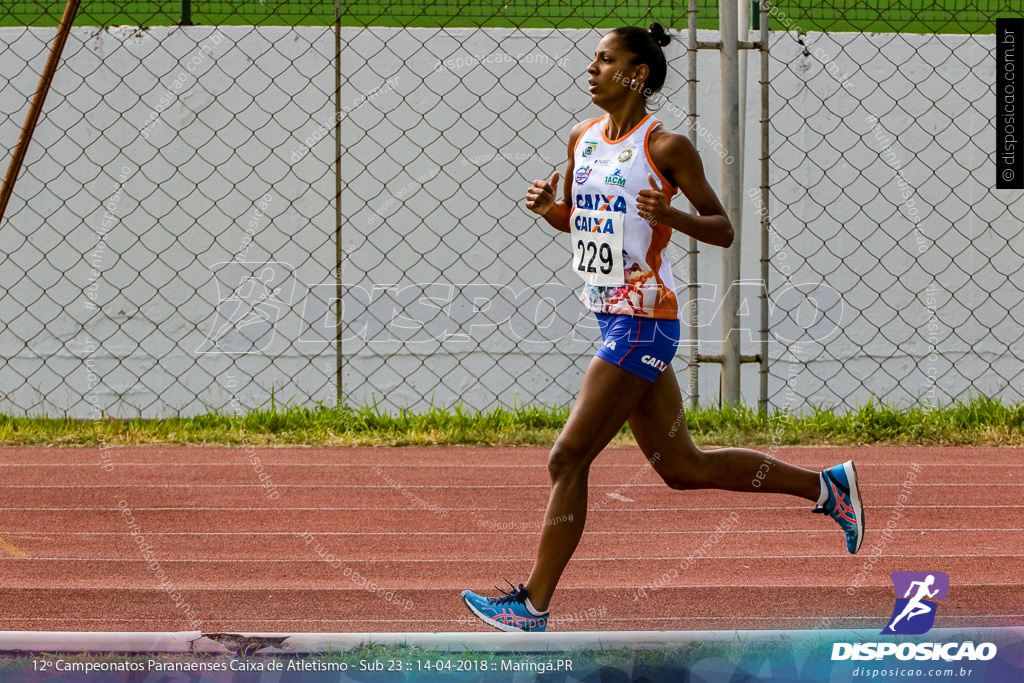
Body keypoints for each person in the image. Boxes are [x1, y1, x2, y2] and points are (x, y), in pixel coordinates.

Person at [461, 22, 864, 633]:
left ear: (637, 73)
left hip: (644, 324)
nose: (591, 69)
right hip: (610, 316)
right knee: (683, 467)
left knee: (567, 458)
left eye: (604, 60)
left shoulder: (667, 147)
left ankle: (532, 605)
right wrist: (554, 214)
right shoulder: (582, 138)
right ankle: (826, 488)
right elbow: (589, 224)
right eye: (592, 60)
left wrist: (670, 211)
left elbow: (723, 228)